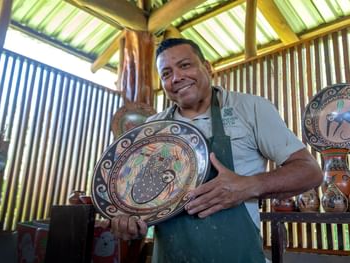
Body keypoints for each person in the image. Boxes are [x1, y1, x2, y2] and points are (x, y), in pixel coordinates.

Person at [109, 38, 323, 262]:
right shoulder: (152, 128)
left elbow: (310, 171)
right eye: (166, 74)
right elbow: (134, 199)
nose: (176, 78)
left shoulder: (250, 108)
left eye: (185, 65)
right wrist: (128, 220)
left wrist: (248, 185)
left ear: (207, 67)